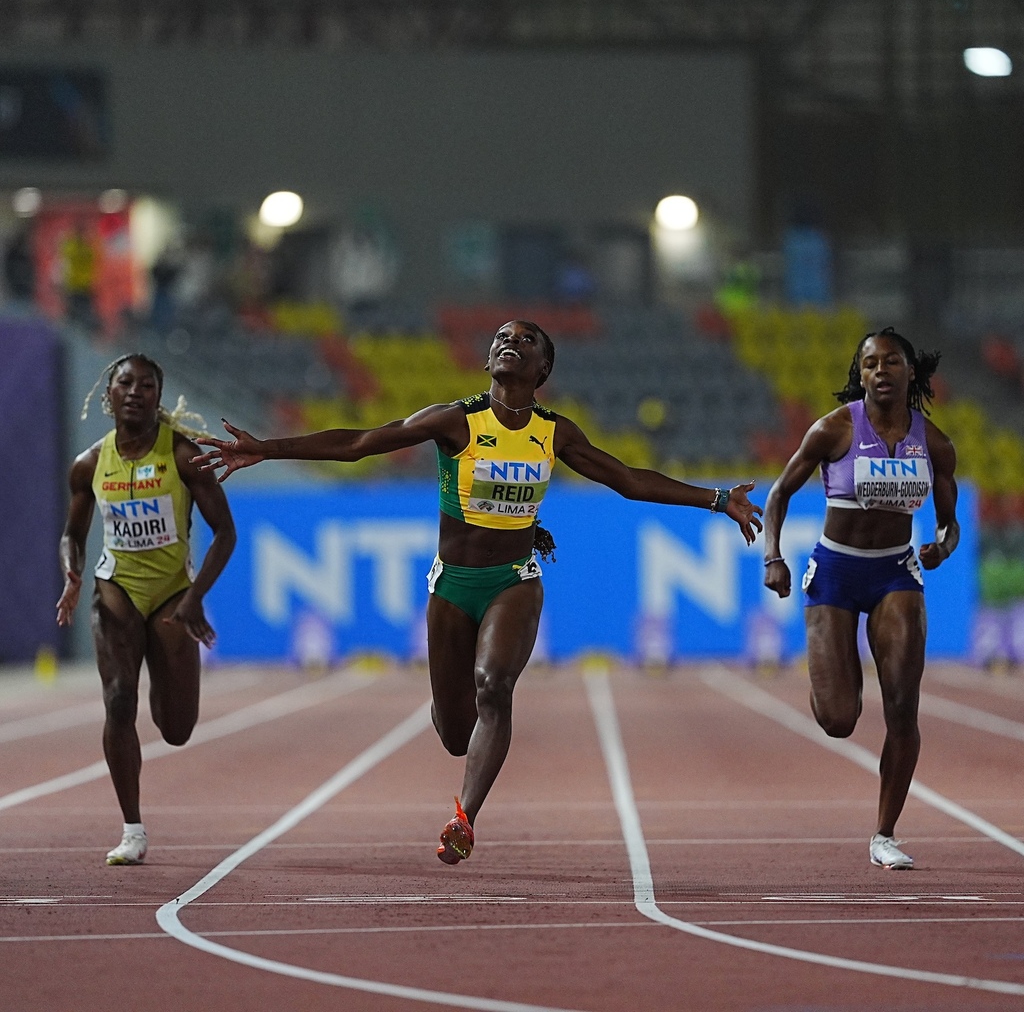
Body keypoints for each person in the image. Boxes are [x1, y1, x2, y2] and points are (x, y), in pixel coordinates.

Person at [192, 319, 764, 864]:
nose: (510, 342)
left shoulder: (554, 433)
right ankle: (455, 730)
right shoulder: (455, 422)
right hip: (452, 586)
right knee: (454, 732)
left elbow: (630, 481)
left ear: (542, 368)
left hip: (513, 581)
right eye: (502, 337)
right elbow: (363, 442)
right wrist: (269, 447)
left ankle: (463, 819)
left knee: (494, 686)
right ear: (490, 359)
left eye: (526, 340)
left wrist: (716, 499)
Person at [761, 326, 958, 870]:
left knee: (902, 707)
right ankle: (831, 677)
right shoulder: (833, 430)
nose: (880, 372)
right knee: (839, 720)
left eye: (891, 362)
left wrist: (942, 547)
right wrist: (772, 556)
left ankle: (884, 833)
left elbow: (950, 525)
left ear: (910, 371)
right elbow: (778, 494)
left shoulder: (934, 443)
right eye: (870, 364)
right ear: (860, 374)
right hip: (836, 574)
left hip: (896, 574)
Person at [56, 354, 236, 866]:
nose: (136, 391)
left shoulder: (182, 455)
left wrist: (196, 595)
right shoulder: (89, 464)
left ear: (159, 396)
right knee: (117, 701)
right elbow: (72, 535)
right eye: (126, 383)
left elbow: (225, 531)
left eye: (148, 385)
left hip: (172, 592)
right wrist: (72, 572)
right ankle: (132, 830)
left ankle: (164, 668)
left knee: (176, 729)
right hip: (115, 587)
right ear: (107, 393)